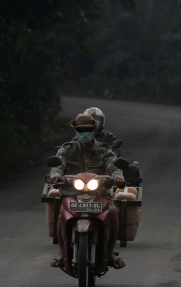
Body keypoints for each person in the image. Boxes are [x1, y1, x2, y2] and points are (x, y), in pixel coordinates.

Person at [49, 113, 126, 269]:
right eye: (80, 129)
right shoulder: (67, 149)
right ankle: (62, 253)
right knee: (61, 213)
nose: (84, 133)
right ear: (76, 131)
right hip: (71, 193)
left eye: (88, 129)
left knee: (112, 212)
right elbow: (58, 164)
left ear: (94, 129)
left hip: (99, 193)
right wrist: (56, 175)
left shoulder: (104, 150)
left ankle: (110, 253)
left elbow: (113, 165)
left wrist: (118, 176)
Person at [72, 107, 140, 179]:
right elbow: (69, 151)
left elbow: (116, 153)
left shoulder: (109, 137)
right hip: (82, 169)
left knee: (133, 169)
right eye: (90, 123)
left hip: (105, 169)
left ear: (101, 122)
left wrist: (110, 155)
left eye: (96, 122)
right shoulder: (77, 138)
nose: (93, 126)